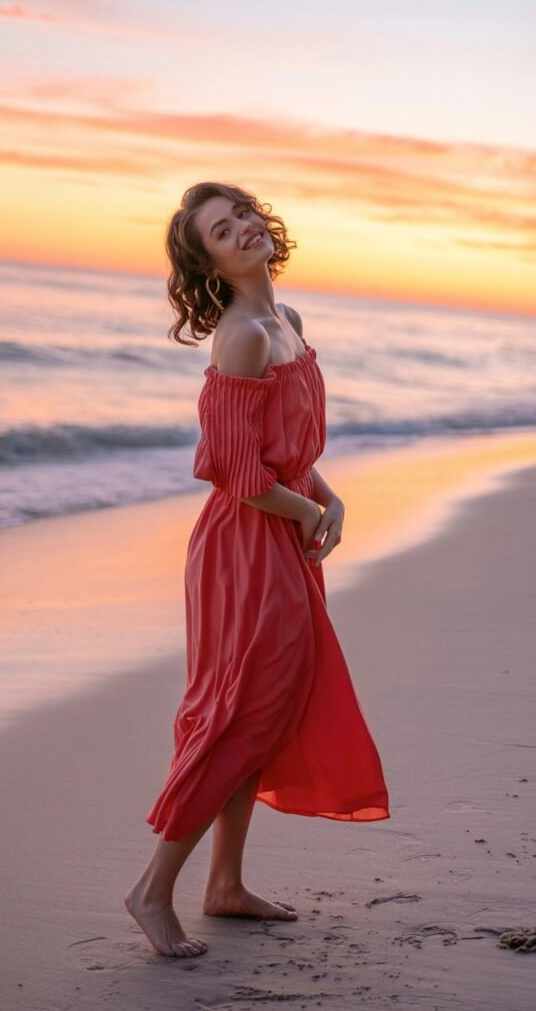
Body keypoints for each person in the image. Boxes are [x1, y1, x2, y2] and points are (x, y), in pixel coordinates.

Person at [124, 181, 390, 958]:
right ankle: (151, 890)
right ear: (208, 263)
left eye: (242, 213)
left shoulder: (289, 323)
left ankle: (226, 884)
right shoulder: (240, 336)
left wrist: (327, 497)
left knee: (266, 713)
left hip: (282, 534)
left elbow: (289, 452)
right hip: (244, 547)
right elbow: (236, 472)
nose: (240, 228)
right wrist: (307, 512)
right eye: (219, 229)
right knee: (239, 711)